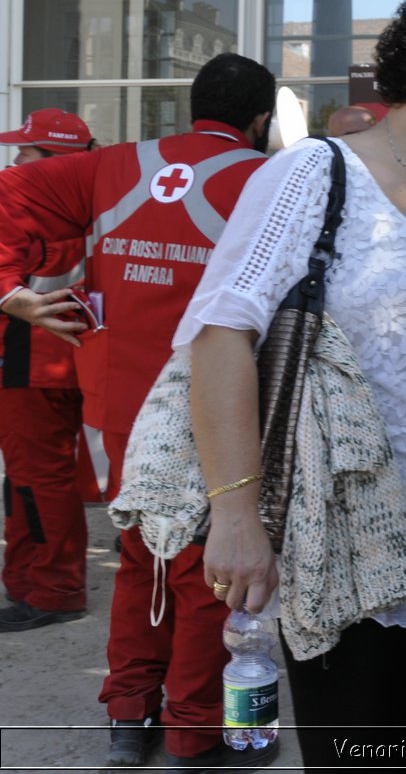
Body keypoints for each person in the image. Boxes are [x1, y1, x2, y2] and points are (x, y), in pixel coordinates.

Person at [184, 0, 406, 769]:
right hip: (344, 535)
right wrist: (236, 516)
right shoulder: (316, 172)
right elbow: (219, 333)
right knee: (358, 757)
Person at [0, 55, 276, 770]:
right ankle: (194, 731)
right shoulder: (266, 178)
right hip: (209, 408)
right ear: (260, 120)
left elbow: (5, 195)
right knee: (208, 573)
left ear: (191, 109)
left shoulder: (119, 164)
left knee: (141, 557)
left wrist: (11, 294)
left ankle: (129, 712)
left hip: (123, 404)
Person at [0, 109, 95, 633]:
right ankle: (28, 580)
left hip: (30, 363)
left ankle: (54, 591)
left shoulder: (21, 201)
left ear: (54, 159)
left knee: (38, 480)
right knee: (33, 479)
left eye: (27, 151)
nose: (16, 160)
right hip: (69, 357)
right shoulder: (100, 201)